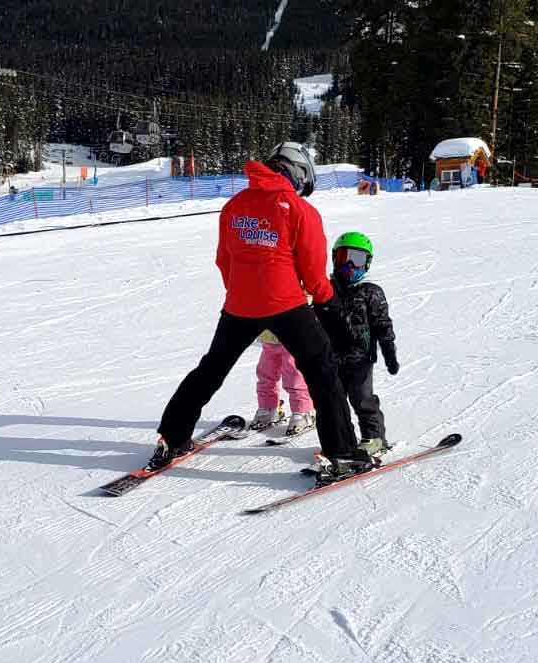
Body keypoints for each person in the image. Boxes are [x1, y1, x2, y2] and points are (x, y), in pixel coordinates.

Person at [151, 142, 372, 479]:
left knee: (211, 369)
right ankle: (341, 452)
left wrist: (243, 292)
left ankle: (173, 436)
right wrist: (329, 301)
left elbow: (224, 260)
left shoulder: (234, 206)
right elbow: (313, 274)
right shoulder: (298, 209)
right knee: (322, 370)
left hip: (239, 305)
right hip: (287, 305)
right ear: (297, 173)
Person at [328, 231, 399, 458]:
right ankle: (343, 440)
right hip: (332, 358)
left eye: (356, 259)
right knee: (334, 401)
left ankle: (374, 437)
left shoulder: (371, 292)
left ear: (366, 264)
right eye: (343, 257)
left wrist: (389, 354)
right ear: (334, 258)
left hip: (361, 359)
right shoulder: (326, 291)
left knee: (361, 398)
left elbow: (383, 325)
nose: (349, 265)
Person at [251, 326, 316, 436]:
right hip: (268, 336)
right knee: (265, 374)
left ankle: (303, 411)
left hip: (292, 336)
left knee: (294, 377)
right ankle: (268, 408)